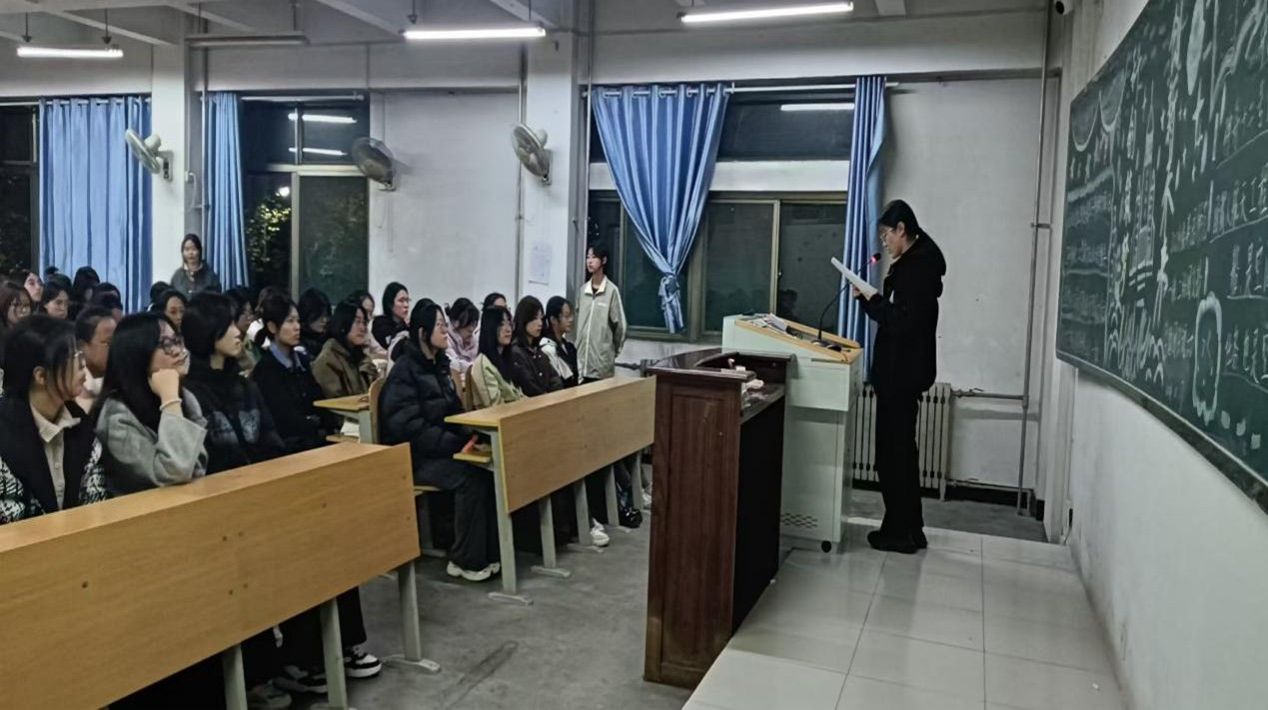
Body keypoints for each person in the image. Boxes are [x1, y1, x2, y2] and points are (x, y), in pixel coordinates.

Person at [378, 301, 500, 582]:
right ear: (423, 333)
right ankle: (464, 559)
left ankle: (488, 552)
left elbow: (453, 411)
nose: (446, 331)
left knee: (488, 468)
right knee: (470, 476)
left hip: (440, 449)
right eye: (440, 326)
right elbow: (409, 427)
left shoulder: (439, 366)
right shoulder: (405, 371)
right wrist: (454, 444)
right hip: (413, 456)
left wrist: (471, 435)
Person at [854, 199, 946, 554]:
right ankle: (911, 528)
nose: (884, 242)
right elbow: (900, 314)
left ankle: (899, 532)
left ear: (902, 229)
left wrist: (872, 302)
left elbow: (902, 321)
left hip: (900, 376)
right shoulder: (916, 265)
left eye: (886, 235)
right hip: (903, 375)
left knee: (893, 457)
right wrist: (873, 301)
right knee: (901, 454)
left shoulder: (915, 269)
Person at [0, 315, 107, 524]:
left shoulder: (80, 423)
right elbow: (11, 522)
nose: (82, 365)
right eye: (72, 357)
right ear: (41, 376)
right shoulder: (5, 434)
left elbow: (96, 501)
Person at [94, 312, 206, 496]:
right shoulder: (116, 416)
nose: (177, 350)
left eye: (176, 340)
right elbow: (174, 473)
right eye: (165, 344)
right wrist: (170, 401)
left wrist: (172, 398)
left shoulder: (186, 397)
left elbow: (198, 467)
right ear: (137, 354)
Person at [251, 294, 340, 453]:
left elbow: (320, 403)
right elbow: (284, 419)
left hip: (315, 442)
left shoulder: (302, 362)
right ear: (272, 327)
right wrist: (313, 423)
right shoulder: (266, 370)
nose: (297, 327)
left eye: (298, 321)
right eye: (290, 321)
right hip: (288, 450)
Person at [575, 243, 628, 382]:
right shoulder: (583, 291)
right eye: (587, 257)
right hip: (581, 363)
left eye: (594, 257)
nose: (589, 261)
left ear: (603, 260)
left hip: (601, 366)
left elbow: (621, 328)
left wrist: (611, 352)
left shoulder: (611, 291)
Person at [313, 297, 379, 399]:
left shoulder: (361, 357)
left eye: (364, 322)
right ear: (343, 323)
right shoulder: (328, 360)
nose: (362, 328)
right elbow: (335, 404)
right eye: (357, 322)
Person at [467, 306, 522, 409]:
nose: (508, 329)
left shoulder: (506, 358)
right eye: (501, 324)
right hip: (501, 416)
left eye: (509, 323)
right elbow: (495, 407)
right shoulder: (483, 363)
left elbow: (518, 395)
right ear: (490, 328)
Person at [509, 296, 563, 397]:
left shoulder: (538, 351)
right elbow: (529, 387)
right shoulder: (516, 352)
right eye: (534, 318)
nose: (540, 323)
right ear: (524, 319)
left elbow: (555, 379)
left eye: (541, 318)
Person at [75, 307, 117, 413]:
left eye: (117, 342)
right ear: (82, 346)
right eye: (109, 343)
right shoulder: (72, 390)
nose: (115, 349)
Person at [541, 296, 579, 388]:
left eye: (571, 316)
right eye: (566, 316)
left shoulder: (569, 346)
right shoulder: (547, 348)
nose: (571, 319)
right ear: (553, 319)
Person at [227, 287, 261, 373]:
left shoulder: (253, 342)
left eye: (250, 312)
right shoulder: (227, 347)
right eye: (244, 313)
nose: (249, 318)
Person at [446, 298, 480, 375]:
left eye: (474, 324)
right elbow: (455, 365)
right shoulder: (446, 339)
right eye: (469, 323)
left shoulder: (474, 339)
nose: (471, 329)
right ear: (455, 322)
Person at [372, 282, 410, 352]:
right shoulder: (380, 324)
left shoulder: (408, 326)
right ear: (390, 304)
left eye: (407, 301)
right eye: (401, 301)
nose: (406, 305)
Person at [351, 289, 388, 360]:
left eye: (370, 313)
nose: (368, 317)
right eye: (365, 312)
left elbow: (381, 351)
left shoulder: (367, 332)